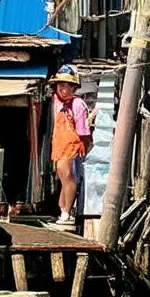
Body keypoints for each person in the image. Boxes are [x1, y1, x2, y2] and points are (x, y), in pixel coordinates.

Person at [49, 68, 93, 229]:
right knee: (63, 179)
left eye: (67, 86)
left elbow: (83, 130)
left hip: (72, 145)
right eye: (60, 85)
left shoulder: (77, 103)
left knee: (69, 178)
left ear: (74, 88)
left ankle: (67, 213)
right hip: (60, 146)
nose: (63, 89)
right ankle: (63, 212)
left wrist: (86, 146)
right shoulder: (58, 102)